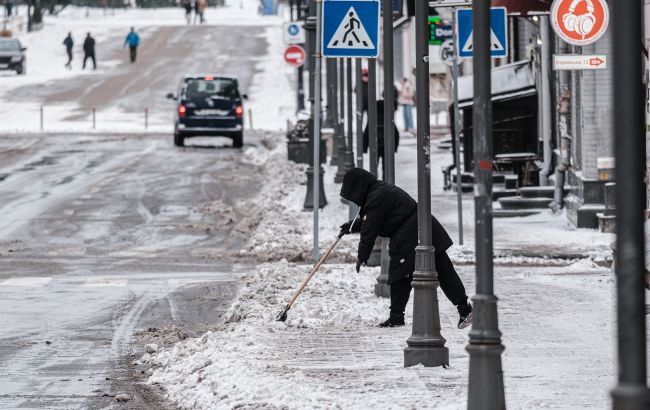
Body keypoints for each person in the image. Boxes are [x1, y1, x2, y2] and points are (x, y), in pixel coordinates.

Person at [339, 168, 473, 329]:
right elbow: (374, 220)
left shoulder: (376, 197)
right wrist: (352, 226)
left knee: (400, 272)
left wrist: (362, 256)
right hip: (422, 227)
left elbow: (370, 230)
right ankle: (464, 308)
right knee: (442, 270)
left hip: (411, 232)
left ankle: (397, 316)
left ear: (358, 188)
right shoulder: (377, 191)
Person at [362, 100, 399, 180]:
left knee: (374, 166)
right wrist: (395, 147)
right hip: (387, 147)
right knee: (386, 167)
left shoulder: (372, 120)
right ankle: (385, 181)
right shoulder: (389, 120)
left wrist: (364, 148)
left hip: (375, 146)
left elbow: (366, 134)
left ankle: (374, 182)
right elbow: (396, 134)